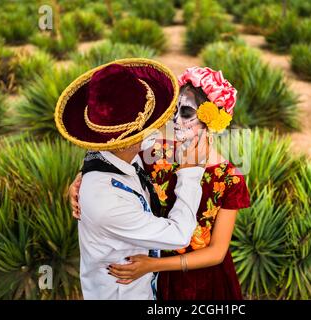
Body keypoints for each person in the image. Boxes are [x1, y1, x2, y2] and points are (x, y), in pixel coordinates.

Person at [70, 67, 250, 300]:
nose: (175, 120)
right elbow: (114, 154)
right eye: (174, 111)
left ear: (212, 120)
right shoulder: (157, 153)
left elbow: (216, 252)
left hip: (196, 282)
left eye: (186, 113)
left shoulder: (230, 177)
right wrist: (83, 176)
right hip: (148, 279)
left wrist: (154, 265)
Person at [55, 59, 208, 300]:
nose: (163, 125)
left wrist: (82, 174)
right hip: (121, 292)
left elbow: (144, 143)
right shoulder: (107, 202)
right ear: (130, 137)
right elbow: (179, 235)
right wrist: (191, 173)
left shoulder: (106, 151)